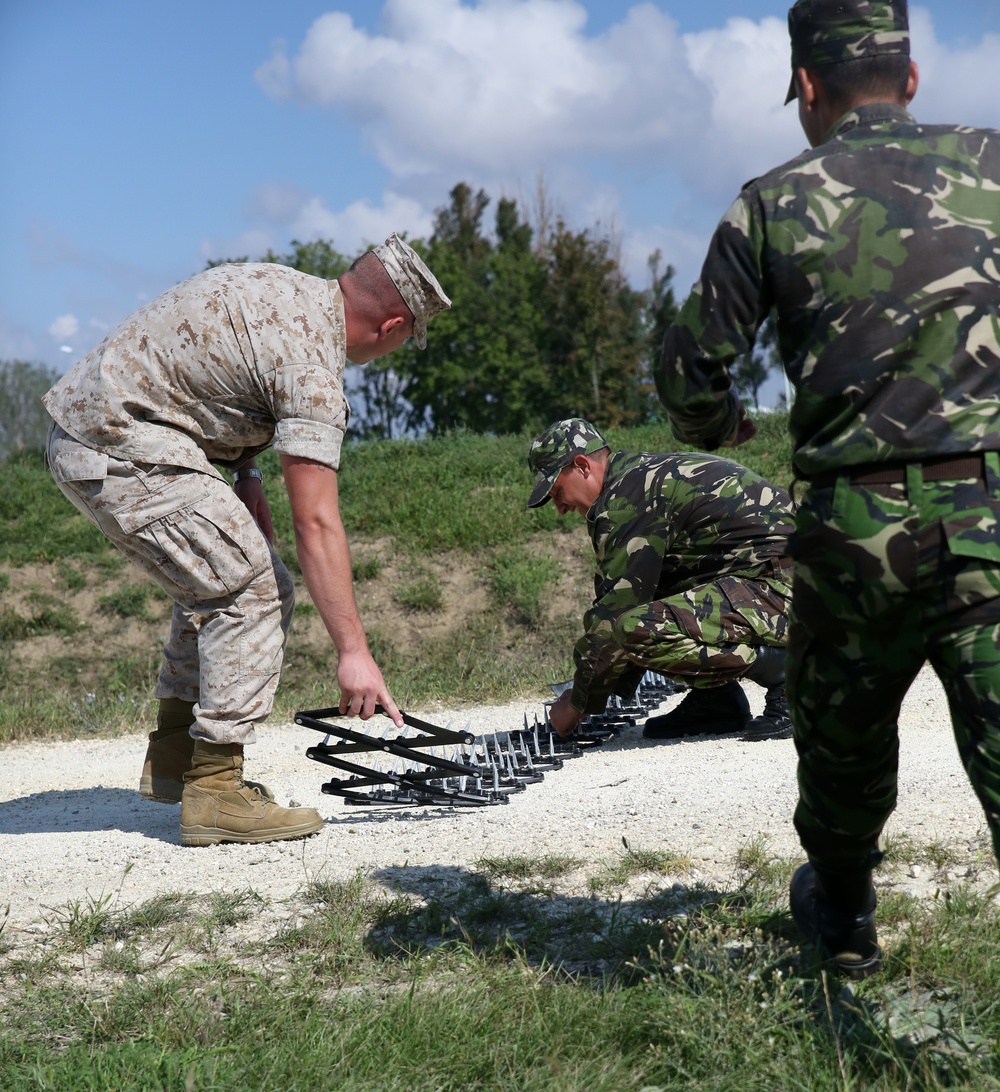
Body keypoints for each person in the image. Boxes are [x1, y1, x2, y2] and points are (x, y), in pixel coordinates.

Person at [655, 0, 1000, 979]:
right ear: (912, 76)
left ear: (806, 88)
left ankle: (842, 912)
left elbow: (691, 375)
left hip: (850, 524)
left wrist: (717, 431)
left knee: (842, 749)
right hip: (991, 510)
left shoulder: (769, 200)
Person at [43, 234, 451, 847]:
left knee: (214, 575)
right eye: (405, 338)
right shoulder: (313, 365)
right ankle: (216, 790)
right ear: (393, 324)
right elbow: (317, 522)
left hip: (99, 427)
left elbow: (208, 374)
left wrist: (245, 471)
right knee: (253, 586)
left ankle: (177, 752)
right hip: (117, 441)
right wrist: (354, 652)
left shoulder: (285, 291)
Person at [526, 418, 795, 743]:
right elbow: (638, 592)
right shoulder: (638, 478)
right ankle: (715, 702)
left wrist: (577, 705)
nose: (559, 508)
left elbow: (613, 616)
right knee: (658, 593)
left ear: (582, 466)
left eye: (557, 491)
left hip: (792, 588)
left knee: (634, 627)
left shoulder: (626, 501)